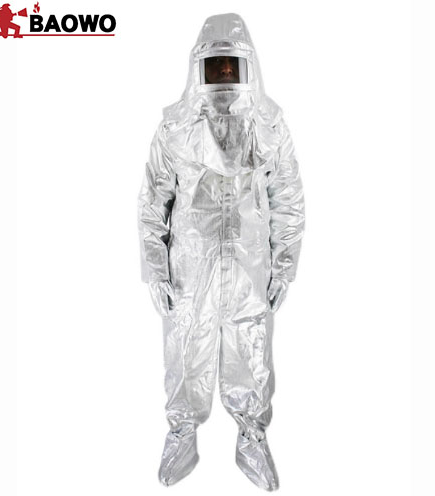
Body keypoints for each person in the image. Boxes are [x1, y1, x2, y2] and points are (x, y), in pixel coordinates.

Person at [137, 13, 305, 491]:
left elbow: (287, 198)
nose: (225, 75)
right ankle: (181, 433)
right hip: (190, 268)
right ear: (199, 69)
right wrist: (156, 270)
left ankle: (251, 437)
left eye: (232, 65)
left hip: (250, 268)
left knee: (251, 352)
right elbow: (153, 202)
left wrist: (284, 266)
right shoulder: (174, 130)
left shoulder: (269, 128)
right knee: (185, 350)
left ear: (249, 66)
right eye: (217, 66)